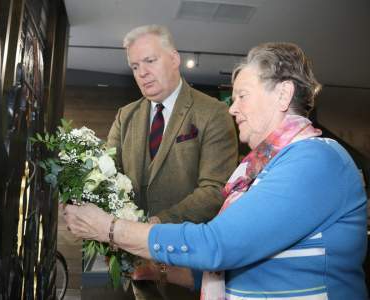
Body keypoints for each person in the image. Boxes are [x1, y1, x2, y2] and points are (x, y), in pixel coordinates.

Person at [63, 42, 368, 299]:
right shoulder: (261, 169)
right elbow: (238, 266)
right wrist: (160, 270)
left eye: (242, 96)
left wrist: (110, 228)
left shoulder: (315, 159)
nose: (232, 108)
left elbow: (219, 246)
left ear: (283, 95)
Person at [97, 24, 238, 299]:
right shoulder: (125, 116)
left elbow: (214, 190)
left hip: (188, 269)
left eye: (150, 61)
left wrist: (153, 226)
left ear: (174, 59)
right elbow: (106, 181)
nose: (142, 73)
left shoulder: (214, 113)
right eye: (135, 66)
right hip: (134, 274)